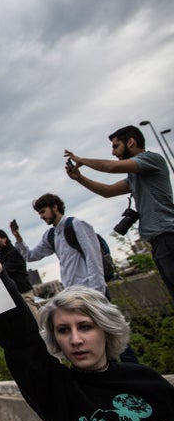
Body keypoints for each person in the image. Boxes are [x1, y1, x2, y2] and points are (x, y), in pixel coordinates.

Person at [0, 202, 174, 421]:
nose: (75, 340)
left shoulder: (148, 381)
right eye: (63, 330)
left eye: (85, 327)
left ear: (106, 329)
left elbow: (93, 258)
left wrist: (96, 293)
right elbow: (19, 338)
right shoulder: (56, 389)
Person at [65, 124, 174, 300]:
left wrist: (81, 160)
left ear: (131, 142)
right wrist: (79, 178)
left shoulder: (152, 159)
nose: (113, 153)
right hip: (160, 242)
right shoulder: (135, 175)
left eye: (116, 146)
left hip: (168, 237)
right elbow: (108, 191)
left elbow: (111, 167)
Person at [11, 193, 107, 295]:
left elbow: (93, 257)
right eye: (39, 213)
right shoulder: (51, 235)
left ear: (55, 207)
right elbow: (30, 256)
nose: (41, 216)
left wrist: (98, 292)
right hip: (72, 293)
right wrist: (17, 236)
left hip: (90, 290)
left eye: (43, 212)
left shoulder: (76, 224)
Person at [0, 228, 38, 320]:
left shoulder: (14, 252)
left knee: (35, 323)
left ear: (4, 239)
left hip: (23, 294)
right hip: (13, 298)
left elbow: (2, 271)